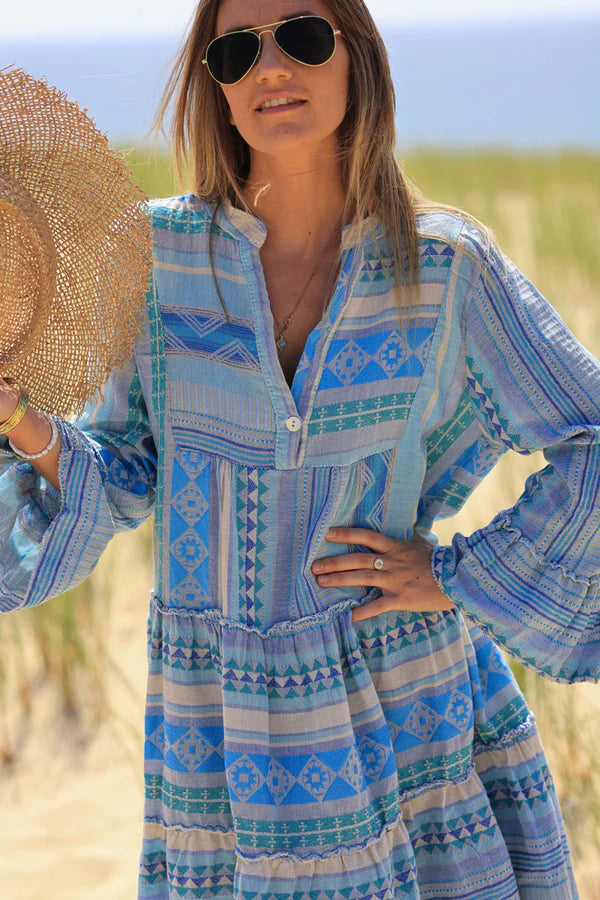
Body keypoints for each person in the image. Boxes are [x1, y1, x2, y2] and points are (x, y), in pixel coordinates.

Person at [1, 0, 598, 896]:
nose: (272, 68)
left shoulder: (443, 268)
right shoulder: (158, 256)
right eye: (238, 51)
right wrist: (19, 419)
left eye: (304, 37)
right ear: (219, 91)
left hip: (405, 705)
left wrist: (457, 573)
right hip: (215, 724)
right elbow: (125, 472)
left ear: (357, 59)